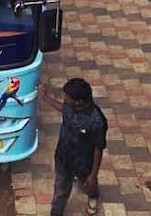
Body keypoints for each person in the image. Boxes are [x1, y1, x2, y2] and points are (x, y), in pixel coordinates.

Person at [39, 78, 107, 216]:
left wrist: (93, 175)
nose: (65, 99)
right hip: (63, 156)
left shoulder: (96, 121)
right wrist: (46, 98)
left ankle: (93, 196)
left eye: (67, 97)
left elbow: (98, 148)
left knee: (88, 183)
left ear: (79, 102)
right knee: (61, 189)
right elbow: (64, 110)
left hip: (83, 162)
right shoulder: (71, 105)